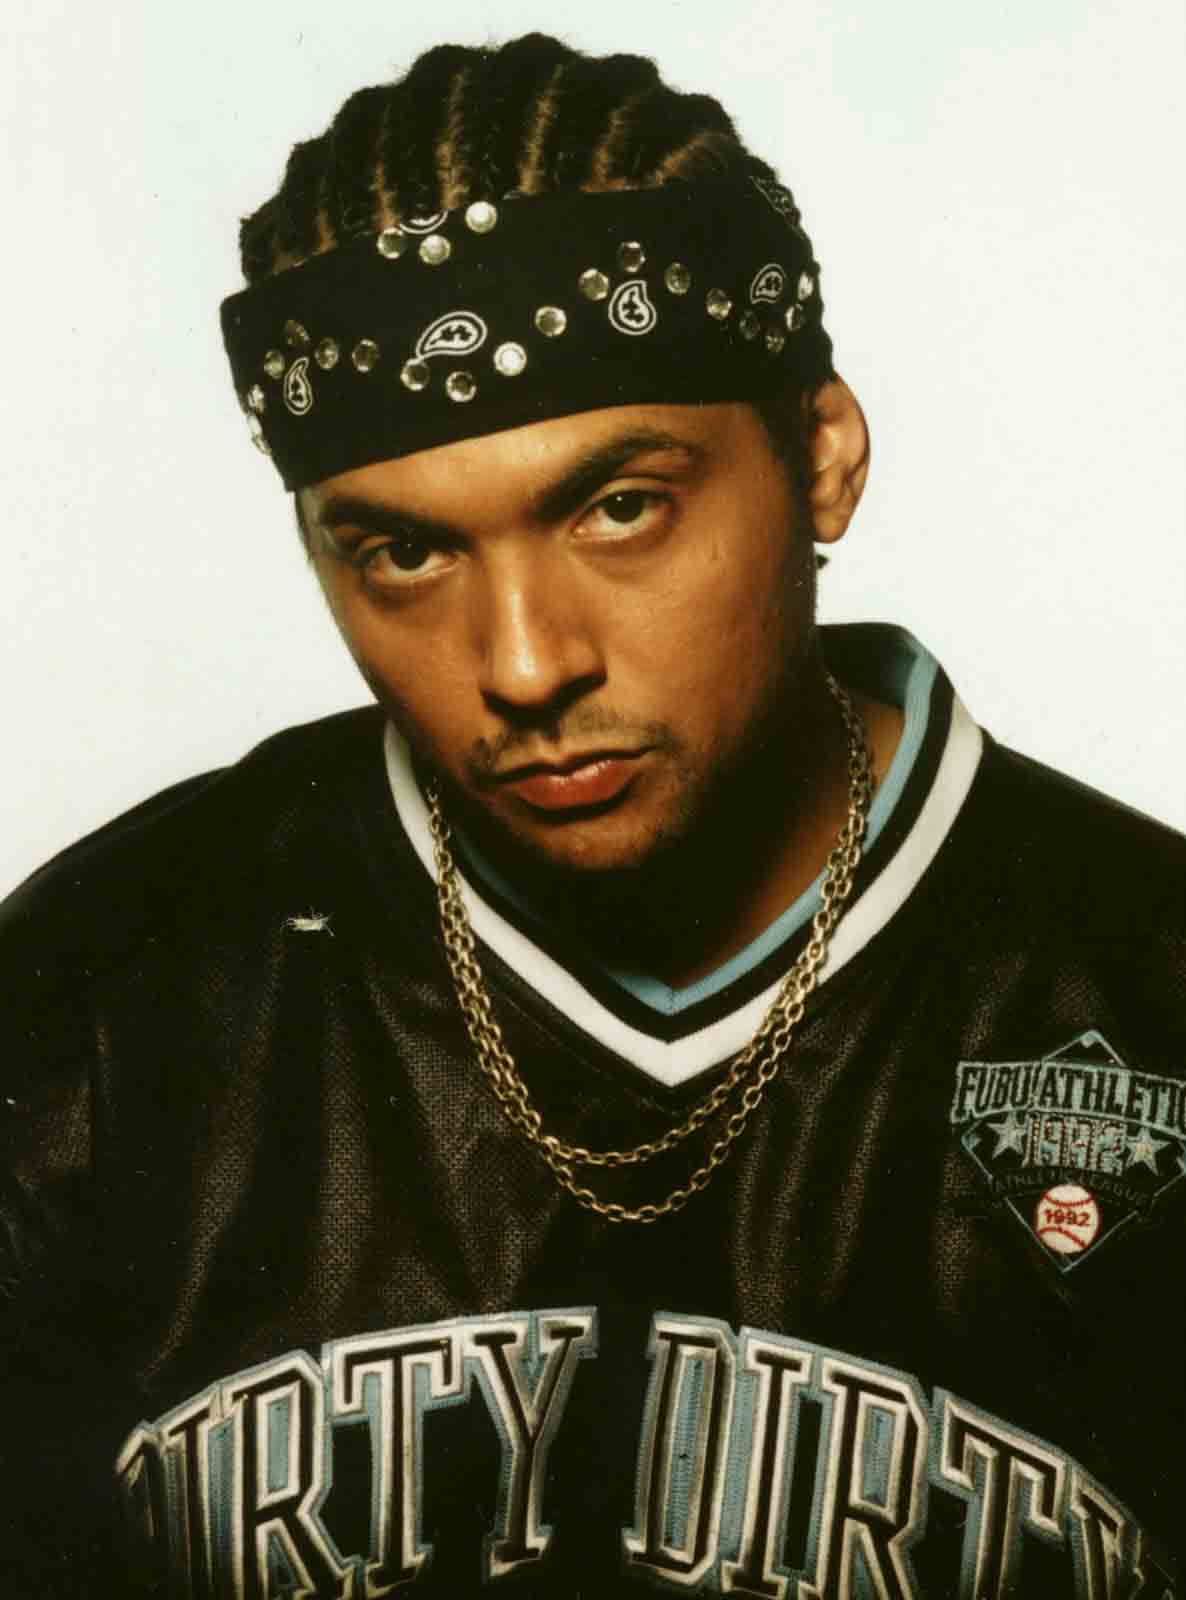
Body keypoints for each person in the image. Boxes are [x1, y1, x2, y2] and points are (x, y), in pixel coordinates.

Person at [1, 32, 1182, 1600]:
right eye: (402, 552)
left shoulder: (1144, 983)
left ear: (821, 458)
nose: (521, 662)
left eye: (618, 508)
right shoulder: (102, 1003)